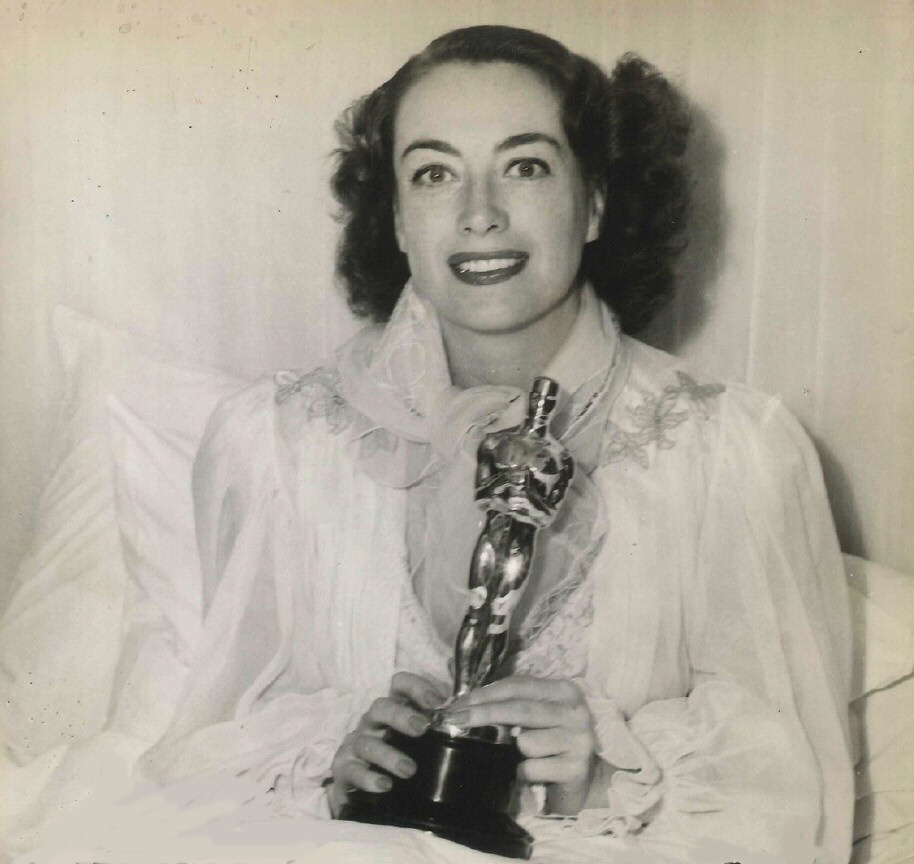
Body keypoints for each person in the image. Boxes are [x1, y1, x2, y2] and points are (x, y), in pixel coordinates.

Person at [139, 25, 855, 863]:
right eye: (434, 174)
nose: (479, 215)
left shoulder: (733, 453)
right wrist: (326, 769)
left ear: (594, 202)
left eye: (526, 165)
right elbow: (199, 753)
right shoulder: (276, 445)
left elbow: (785, 800)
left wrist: (608, 772)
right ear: (398, 219)